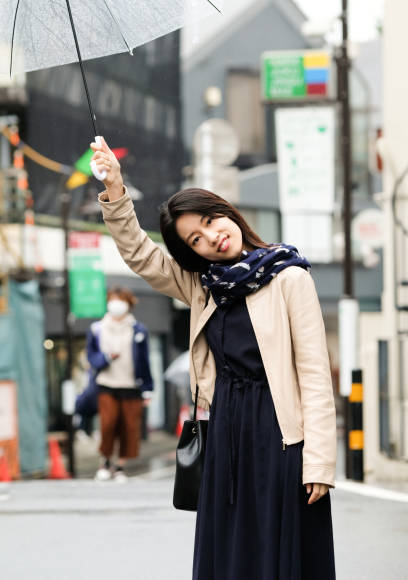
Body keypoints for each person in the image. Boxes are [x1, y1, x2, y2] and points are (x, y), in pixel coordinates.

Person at [90, 137, 336, 579]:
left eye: (210, 220)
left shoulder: (289, 278)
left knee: (281, 551)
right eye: (196, 240)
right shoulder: (203, 285)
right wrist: (115, 190)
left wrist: (317, 461)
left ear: (227, 211)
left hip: (280, 432)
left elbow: (314, 375)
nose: (212, 237)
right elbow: (141, 256)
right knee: (230, 551)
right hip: (225, 432)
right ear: (192, 253)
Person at [86, 285, 153, 483]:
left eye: (121, 301)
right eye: (113, 300)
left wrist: (148, 389)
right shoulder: (97, 328)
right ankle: (105, 462)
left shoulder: (139, 330)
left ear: (129, 304)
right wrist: (106, 358)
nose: (116, 305)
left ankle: (120, 466)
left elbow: (145, 361)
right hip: (106, 384)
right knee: (107, 425)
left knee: (129, 427)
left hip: (132, 386)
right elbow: (91, 357)